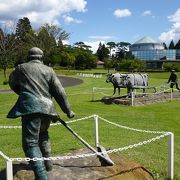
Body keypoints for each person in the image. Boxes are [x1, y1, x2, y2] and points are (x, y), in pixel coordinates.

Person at [7, 47, 75, 180]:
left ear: (29, 56)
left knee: (30, 143)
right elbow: (60, 92)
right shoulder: (49, 70)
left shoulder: (21, 68)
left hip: (31, 109)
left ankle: (42, 176)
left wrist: (23, 94)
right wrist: (68, 111)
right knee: (43, 135)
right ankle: (48, 165)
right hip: (47, 109)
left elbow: (12, 83)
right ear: (41, 57)